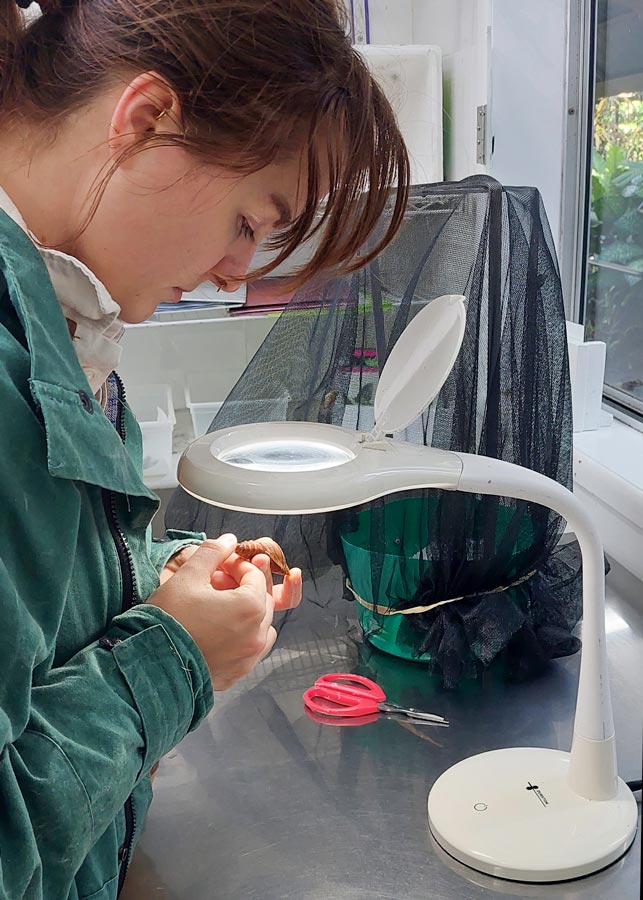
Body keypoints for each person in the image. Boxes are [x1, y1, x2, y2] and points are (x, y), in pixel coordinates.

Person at [0, 0, 409, 896]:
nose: (237, 272)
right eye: (246, 222)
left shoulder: (66, 327)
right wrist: (174, 654)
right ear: (144, 121)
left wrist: (161, 574)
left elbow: (34, 579)